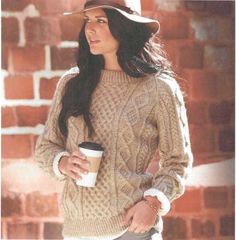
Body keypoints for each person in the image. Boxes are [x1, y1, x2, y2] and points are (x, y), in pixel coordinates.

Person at [34, 0, 193, 239]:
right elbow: (45, 147)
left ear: (124, 27)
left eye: (101, 21)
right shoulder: (71, 83)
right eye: (88, 20)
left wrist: (152, 203)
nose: (90, 29)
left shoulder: (159, 88)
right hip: (78, 231)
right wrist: (63, 162)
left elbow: (177, 162)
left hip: (132, 230)